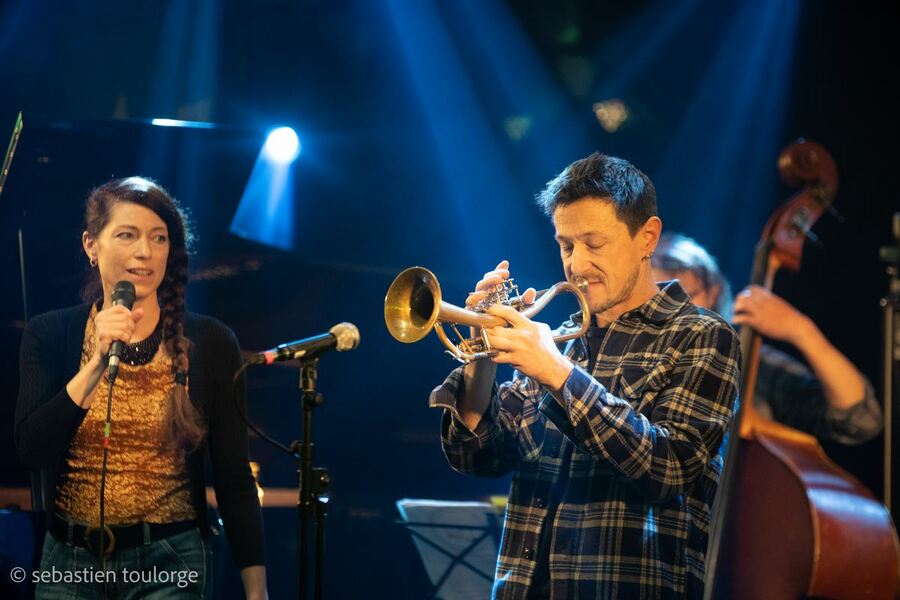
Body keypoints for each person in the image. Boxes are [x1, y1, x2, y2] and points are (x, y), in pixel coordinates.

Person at [429, 153, 741, 599]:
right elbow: (477, 458)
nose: (576, 265)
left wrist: (558, 373)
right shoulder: (560, 343)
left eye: (595, 243)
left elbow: (668, 468)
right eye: (566, 245)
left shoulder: (703, 335)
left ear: (646, 237)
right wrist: (481, 352)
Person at [14, 177, 268, 599]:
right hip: (70, 561)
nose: (145, 252)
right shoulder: (50, 332)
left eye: (158, 238)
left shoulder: (212, 342)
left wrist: (257, 592)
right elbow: (32, 449)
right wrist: (96, 362)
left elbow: (233, 477)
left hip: (170, 560)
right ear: (91, 245)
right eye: (127, 235)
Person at [651, 232, 882, 444]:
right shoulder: (629, 365)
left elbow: (861, 421)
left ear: (714, 294)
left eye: (687, 295)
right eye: (661, 299)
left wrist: (801, 330)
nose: (677, 310)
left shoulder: (753, 366)